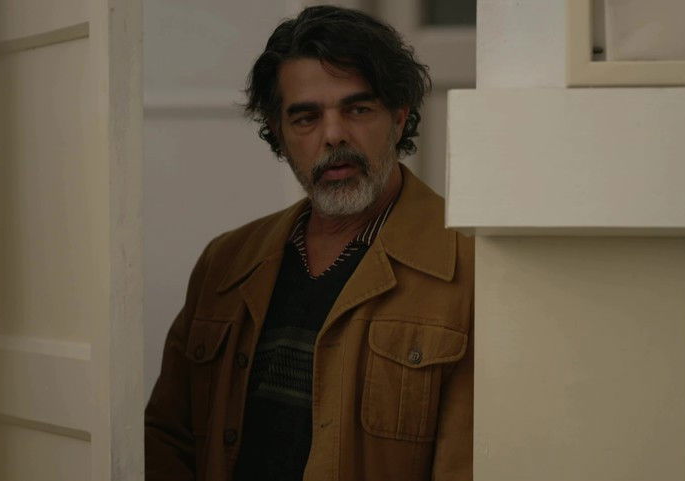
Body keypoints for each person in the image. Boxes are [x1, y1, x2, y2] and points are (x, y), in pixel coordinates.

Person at [144, 5, 474, 481]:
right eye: (305, 118)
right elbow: (167, 438)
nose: (334, 135)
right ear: (278, 134)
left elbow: (469, 462)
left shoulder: (470, 269)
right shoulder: (226, 262)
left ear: (399, 118)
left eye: (358, 109)